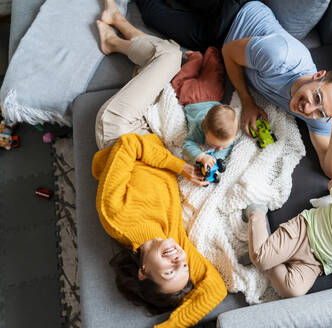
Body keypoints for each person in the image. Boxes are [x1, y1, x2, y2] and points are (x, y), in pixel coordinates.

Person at [92, 1, 226, 325]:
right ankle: (115, 35)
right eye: (183, 268)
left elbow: (127, 146)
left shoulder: (116, 218)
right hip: (148, 139)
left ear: (143, 272)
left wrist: (178, 167)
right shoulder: (174, 242)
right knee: (167, 54)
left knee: (168, 56)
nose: (180, 260)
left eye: (169, 271)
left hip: (118, 130)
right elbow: (214, 289)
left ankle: (117, 29)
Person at [136, 0, 332, 179]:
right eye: (316, 96)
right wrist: (247, 102)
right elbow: (228, 52)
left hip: (215, 36)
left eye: (321, 112)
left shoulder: (320, 112)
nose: (308, 108)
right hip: (234, 11)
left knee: (152, 13)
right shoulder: (279, 57)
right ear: (318, 75)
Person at [172, 47, 239, 169]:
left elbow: (228, 146)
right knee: (180, 81)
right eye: (213, 144)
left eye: (222, 146)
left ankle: (211, 52)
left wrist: (217, 158)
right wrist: (201, 156)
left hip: (212, 94)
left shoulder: (228, 136)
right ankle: (195, 58)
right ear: (204, 128)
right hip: (192, 96)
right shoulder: (199, 129)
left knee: (214, 72)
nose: (217, 148)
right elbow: (187, 145)